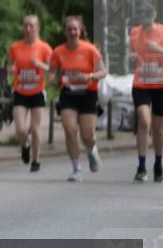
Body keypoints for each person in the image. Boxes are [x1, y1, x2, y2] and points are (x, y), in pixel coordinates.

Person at [50, 15, 107, 183]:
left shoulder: (90, 50)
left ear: (80, 31)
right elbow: (52, 70)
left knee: (87, 135)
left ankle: (91, 151)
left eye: (75, 29)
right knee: (69, 130)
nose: (73, 32)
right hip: (68, 94)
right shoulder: (58, 51)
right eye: (69, 29)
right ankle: (76, 168)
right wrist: (52, 77)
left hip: (88, 94)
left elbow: (103, 72)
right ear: (65, 32)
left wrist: (89, 76)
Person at [7, 15, 53, 172]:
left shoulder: (44, 47)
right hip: (20, 90)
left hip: (37, 91)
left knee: (35, 128)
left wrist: (40, 64)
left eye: (31, 26)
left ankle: (36, 159)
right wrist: (11, 69)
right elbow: (9, 65)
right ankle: (25, 146)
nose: (28, 29)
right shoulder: (15, 47)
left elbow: (52, 68)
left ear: (37, 28)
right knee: (20, 129)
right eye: (25, 25)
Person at [129, 1, 163, 182]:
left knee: (158, 128)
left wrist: (159, 50)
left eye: (148, 13)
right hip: (141, 83)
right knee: (144, 121)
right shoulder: (134, 33)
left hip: (160, 84)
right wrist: (131, 57)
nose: (146, 17)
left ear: (155, 14)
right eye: (142, 13)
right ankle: (141, 166)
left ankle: (158, 163)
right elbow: (131, 55)